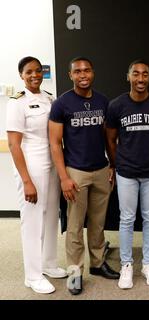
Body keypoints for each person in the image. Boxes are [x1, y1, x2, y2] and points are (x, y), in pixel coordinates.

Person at [49, 57, 119, 295]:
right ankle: (75, 272)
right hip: (75, 172)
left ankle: (98, 264)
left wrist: (113, 164)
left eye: (87, 70)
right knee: (75, 226)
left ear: (93, 72)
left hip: (101, 169)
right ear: (71, 76)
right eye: (77, 71)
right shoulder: (61, 104)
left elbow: (108, 136)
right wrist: (63, 177)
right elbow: (55, 143)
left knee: (98, 223)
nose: (83, 74)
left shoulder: (102, 101)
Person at [106, 59, 149, 289]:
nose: (140, 79)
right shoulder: (116, 105)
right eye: (136, 74)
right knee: (126, 219)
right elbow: (110, 140)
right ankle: (127, 265)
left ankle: (148, 264)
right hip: (126, 172)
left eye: (145, 74)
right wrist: (116, 163)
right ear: (128, 76)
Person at [6, 56, 67, 294]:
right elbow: (13, 145)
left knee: (52, 216)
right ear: (21, 75)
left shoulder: (50, 99)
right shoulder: (17, 103)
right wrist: (26, 180)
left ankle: (48, 264)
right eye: (29, 72)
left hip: (52, 165)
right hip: (31, 168)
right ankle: (32, 275)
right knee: (32, 222)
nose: (34, 75)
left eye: (38, 71)